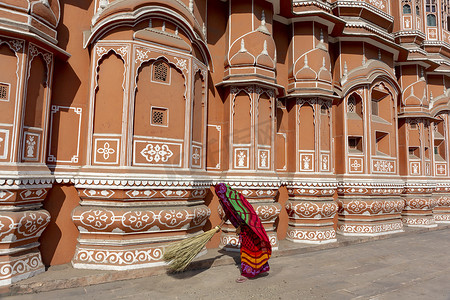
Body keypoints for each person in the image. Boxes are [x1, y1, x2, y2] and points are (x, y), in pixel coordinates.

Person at [214, 183, 271, 283]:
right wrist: (220, 225)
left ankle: (247, 273)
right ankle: (257, 269)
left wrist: (244, 226)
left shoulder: (236, 198)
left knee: (252, 248)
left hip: (251, 228)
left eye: (220, 194)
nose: (220, 197)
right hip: (244, 229)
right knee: (247, 250)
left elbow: (246, 212)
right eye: (218, 195)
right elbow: (228, 214)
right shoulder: (227, 201)